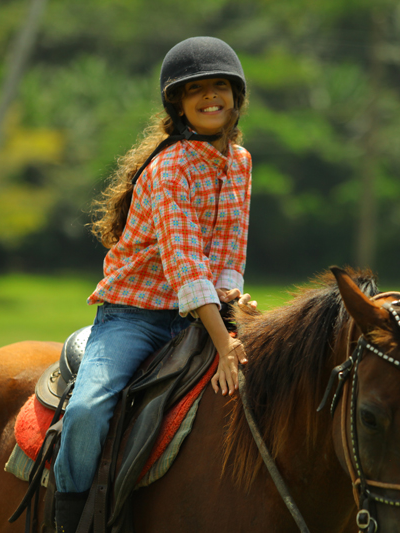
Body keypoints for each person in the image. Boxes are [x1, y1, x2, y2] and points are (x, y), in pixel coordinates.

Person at [53, 36, 255, 532]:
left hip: (201, 310)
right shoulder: (168, 170)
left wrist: (234, 304)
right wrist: (224, 343)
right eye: (197, 91)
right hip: (135, 317)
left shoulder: (241, 162)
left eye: (220, 87)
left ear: (236, 98)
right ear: (179, 104)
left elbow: (228, 253)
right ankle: (68, 519)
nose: (211, 97)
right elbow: (186, 266)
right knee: (87, 410)